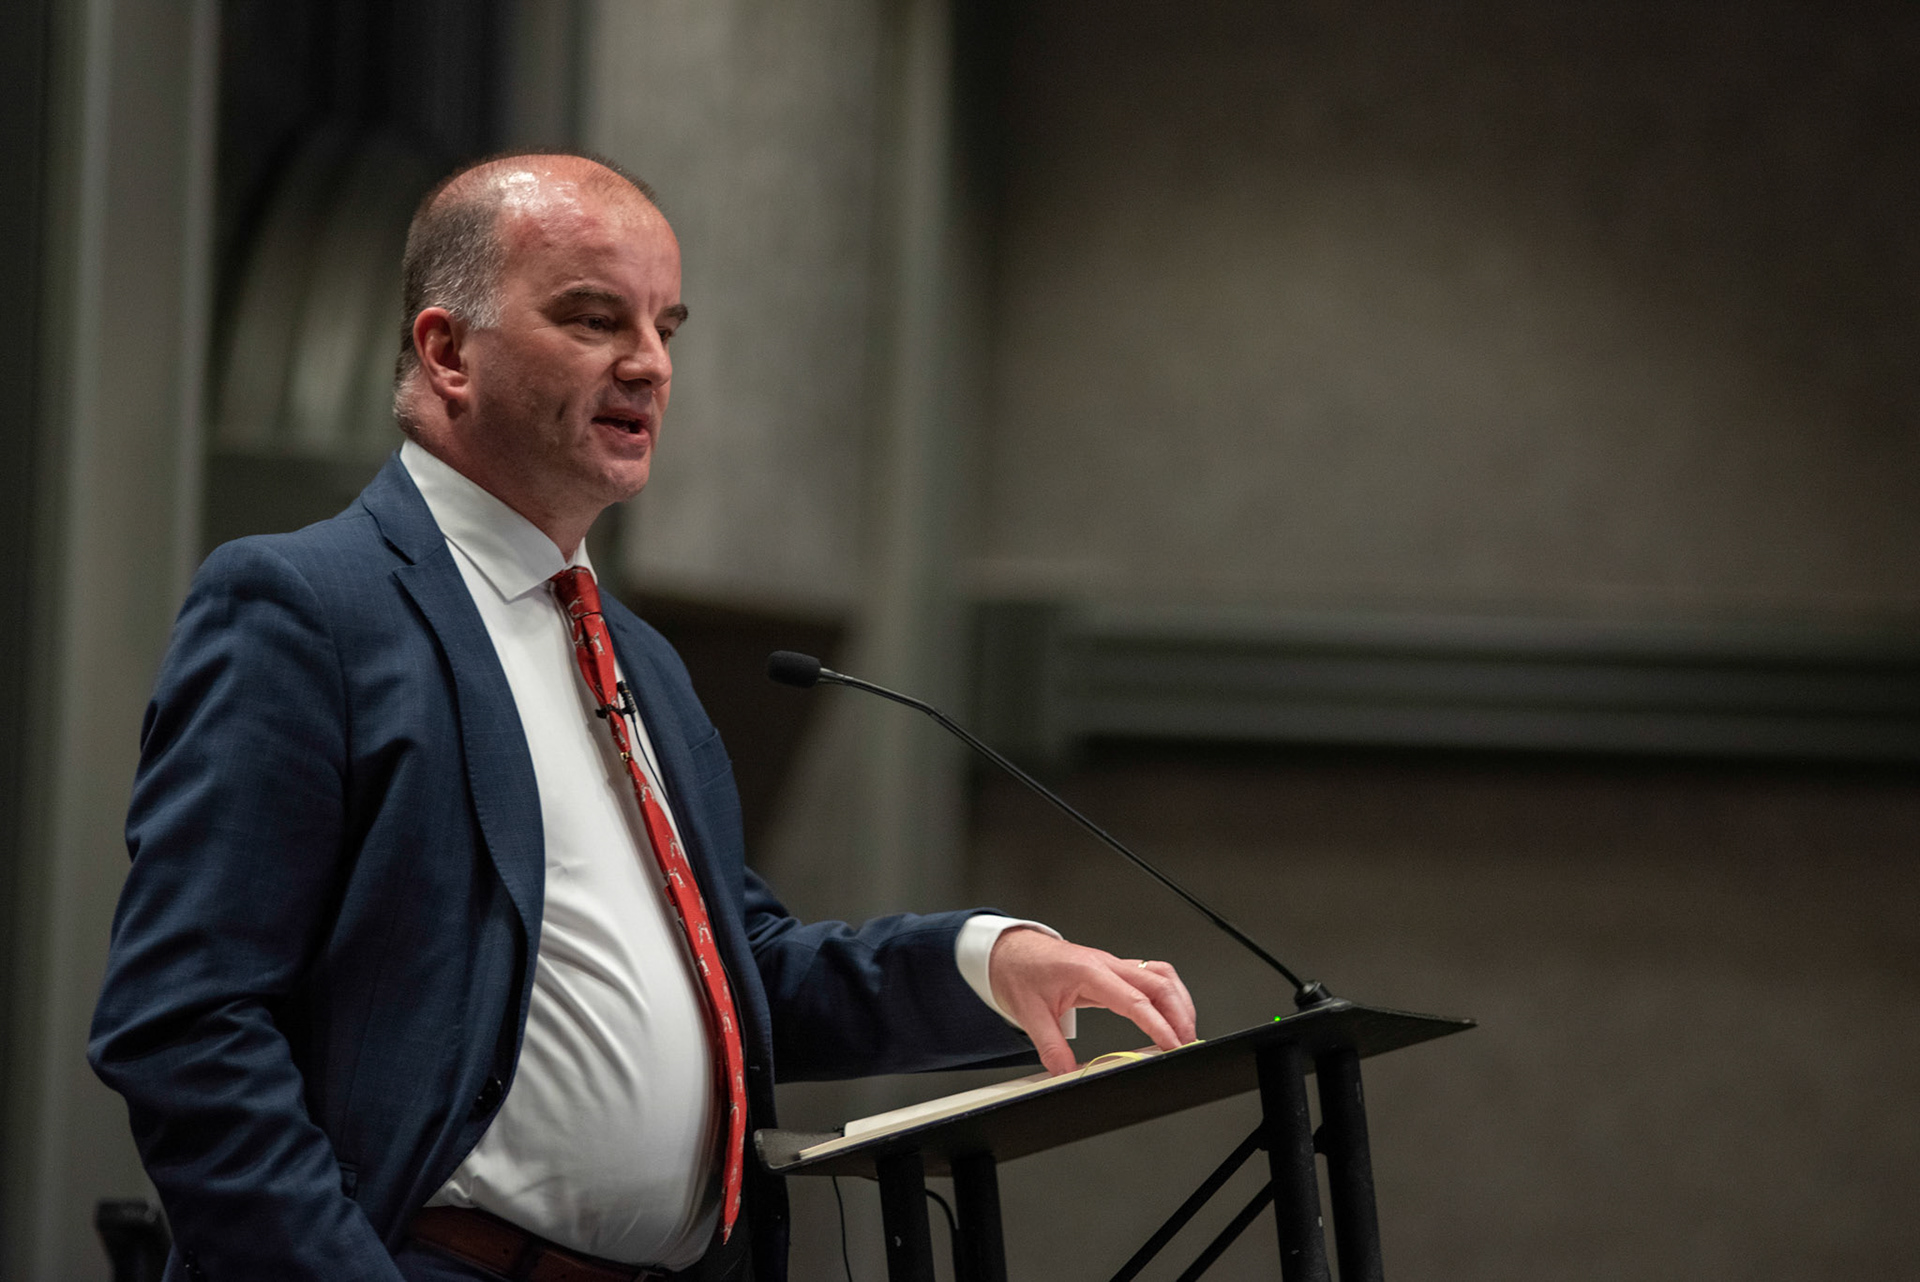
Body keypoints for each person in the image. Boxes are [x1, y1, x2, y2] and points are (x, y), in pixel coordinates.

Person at [89, 152, 1196, 1282]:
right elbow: (186, 1021)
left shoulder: (639, 657)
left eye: (667, 326)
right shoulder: (307, 607)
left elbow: (739, 974)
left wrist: (985, 960)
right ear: (447, 350)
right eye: (593, 318)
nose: (649, 364)